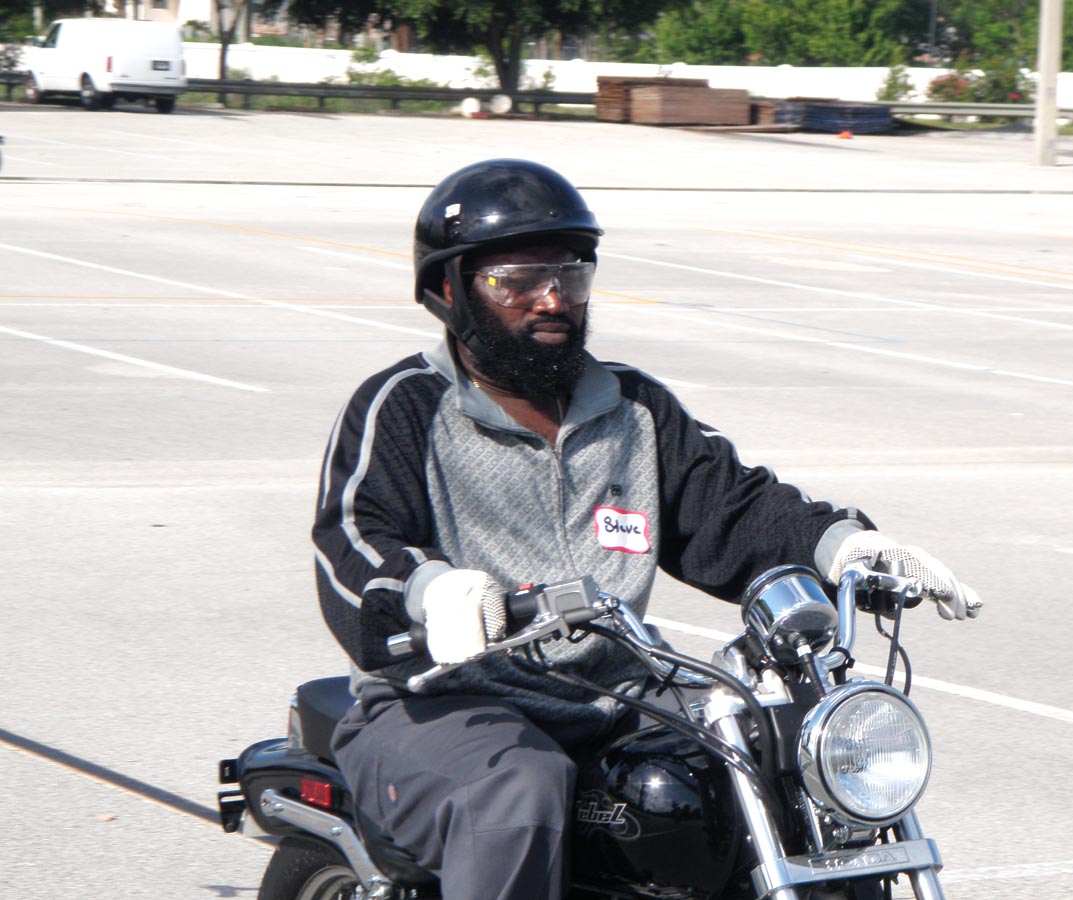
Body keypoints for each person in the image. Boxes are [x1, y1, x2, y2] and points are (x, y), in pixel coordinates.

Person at [312, 158, 979, 900]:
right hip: (444, 700)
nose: (552, 299)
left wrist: (847, 546)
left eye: (570, 275)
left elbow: (733, 506)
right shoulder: (403, 406)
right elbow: (353, 539)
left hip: (619, 691)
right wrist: (432, 592)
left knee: (779, 759)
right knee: (517, 796)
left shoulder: (632, 408)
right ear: (448, 288)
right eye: (517, 281)